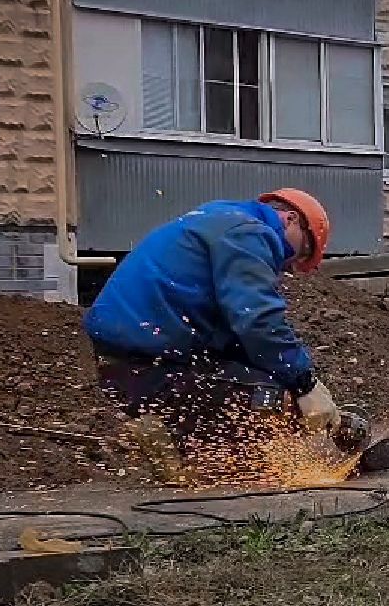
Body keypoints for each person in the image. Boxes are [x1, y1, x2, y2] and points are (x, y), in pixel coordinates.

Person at [82, 189, 341, 473]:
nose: (290, 265)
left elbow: (233, 332)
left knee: (251, 377)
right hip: (151, 367)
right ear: (291, 219)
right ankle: (167, 429)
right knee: (274, 401)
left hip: (126, 361)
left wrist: (293, 376)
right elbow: (258, 321)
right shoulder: (249, 233)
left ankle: (175, 443)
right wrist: (303, 384)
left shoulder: (221, 217)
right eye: (301, 253)